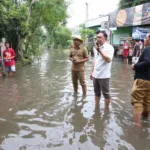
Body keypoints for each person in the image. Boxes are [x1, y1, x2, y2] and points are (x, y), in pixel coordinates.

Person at [90, 31, 114, 110]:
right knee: (96, 93)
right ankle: (97, 107)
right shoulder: (95, 48)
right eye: (97, 37)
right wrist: (91, 72)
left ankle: (106, 110)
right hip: (95, 75)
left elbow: (108, 59)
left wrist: (100, 50)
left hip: (104, 75)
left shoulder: (109, 47)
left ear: (105, 38)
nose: (97, 38)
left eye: (100, 37)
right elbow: (95, 61)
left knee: (106, 94)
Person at [131, 33, 150, 127]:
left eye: (146, 38)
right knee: (147, 101)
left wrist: (135, 66)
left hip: (143, 79)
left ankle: (136, 126)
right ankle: (145, 121)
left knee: (137, 101)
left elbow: (147, 61)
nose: (145, 40)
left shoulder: (148, 49)